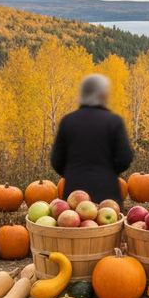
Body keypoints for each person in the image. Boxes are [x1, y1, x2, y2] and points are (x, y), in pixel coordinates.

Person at [50, 74, 134, 204]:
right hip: (107, 193)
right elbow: (125, 158)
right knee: (110, 225)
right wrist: (108, 172)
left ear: (82, 94)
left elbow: (56, 161)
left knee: (74, 222)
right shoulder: (114, 122)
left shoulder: (68, 122)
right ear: (103, 95)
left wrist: (73, 172)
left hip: (74, 193)